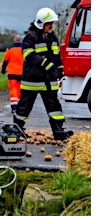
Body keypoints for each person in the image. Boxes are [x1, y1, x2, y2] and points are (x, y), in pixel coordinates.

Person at [15, 8, 72, 140]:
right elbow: (28, 55)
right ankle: (17, 130)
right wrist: (45, 63)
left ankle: (58, 131)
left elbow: (56, 56)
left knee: (55, 107)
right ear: (41, 23)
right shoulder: (30, 37)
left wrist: (60, 69)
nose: (51, 26)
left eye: (52, 23)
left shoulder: (52, 37)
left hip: (49, 81)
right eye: (49, 23)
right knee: (24, 107)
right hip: (32, 81)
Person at [1, 34, 24, 111]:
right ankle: (20, 105)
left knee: (13, 88)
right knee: (20, 89)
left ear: (14, 40)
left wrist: (3, 70)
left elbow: (5, 61)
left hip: (12, 72)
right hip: (22, 73)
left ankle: (14, 105)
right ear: (21, 41)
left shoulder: (10, 49)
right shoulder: (24, 49)